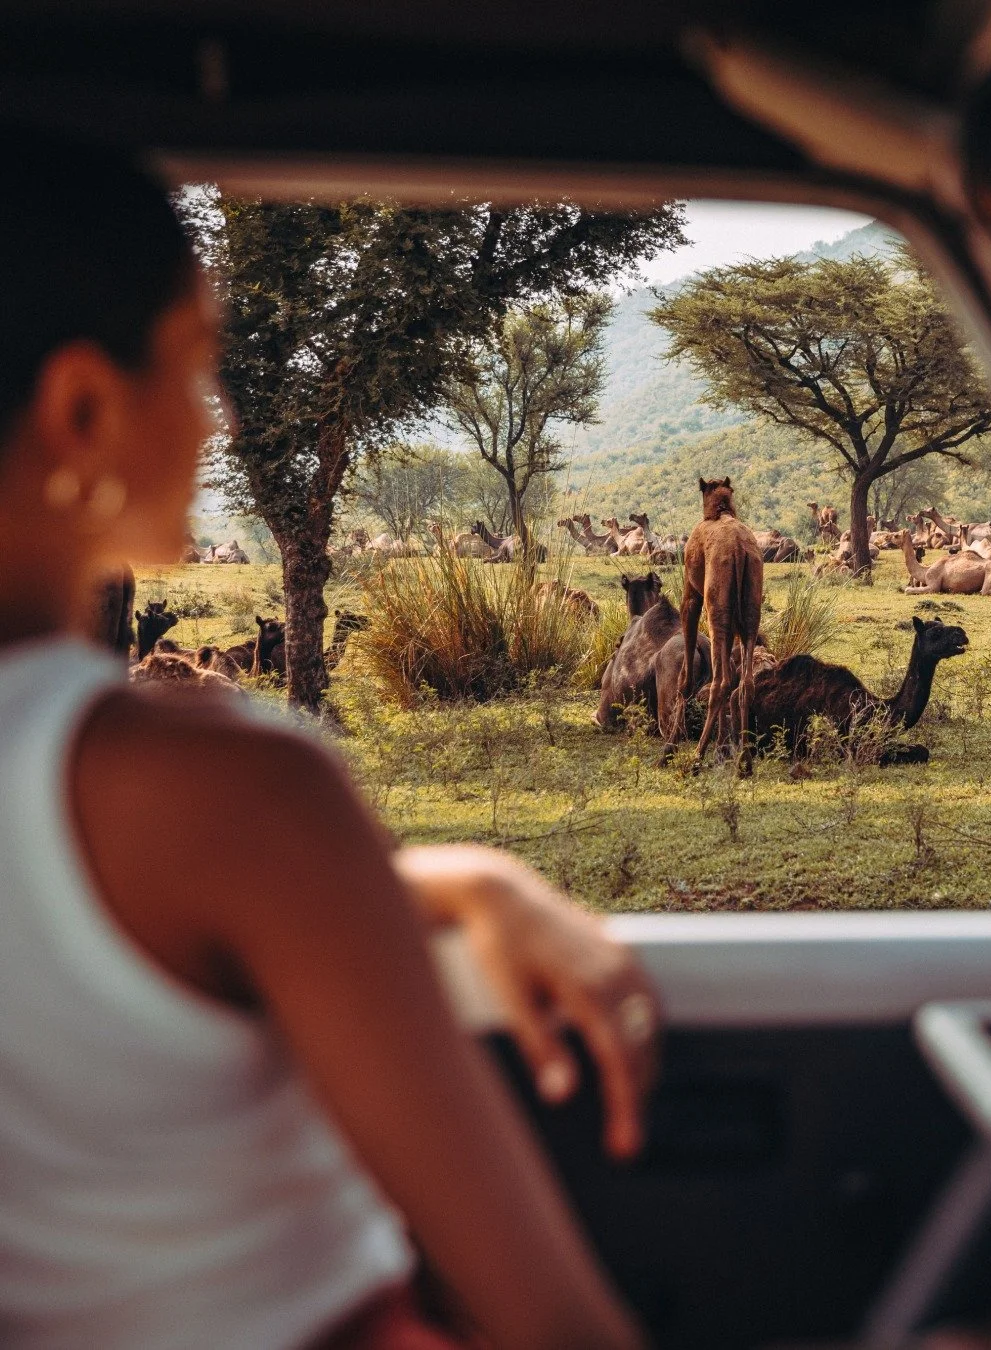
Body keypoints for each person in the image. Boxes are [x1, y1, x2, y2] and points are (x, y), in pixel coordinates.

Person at [0, 130, 656, 1350]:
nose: (215, 423)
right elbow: (558, 1326)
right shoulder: (234, 793)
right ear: (83, 408)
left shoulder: (192, 820)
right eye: (197, 370)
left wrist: (457, 877)